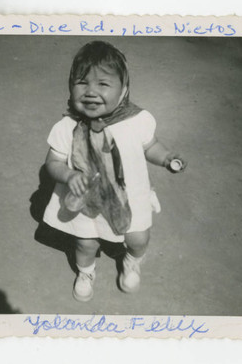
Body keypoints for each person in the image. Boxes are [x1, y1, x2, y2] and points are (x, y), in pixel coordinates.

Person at [43, 41, 186, 302]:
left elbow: (150, 145)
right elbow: (52, 162)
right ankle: (86, 272)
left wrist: (165, 157)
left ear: (123, 92)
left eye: (103, 84)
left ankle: (132, 260)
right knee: (85, 243)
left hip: (128, 196)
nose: (90, 92)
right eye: (81, 82)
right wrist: (68, 175)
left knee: (138, 238)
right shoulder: (67, 126)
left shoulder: (135, 120)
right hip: (86, 200)